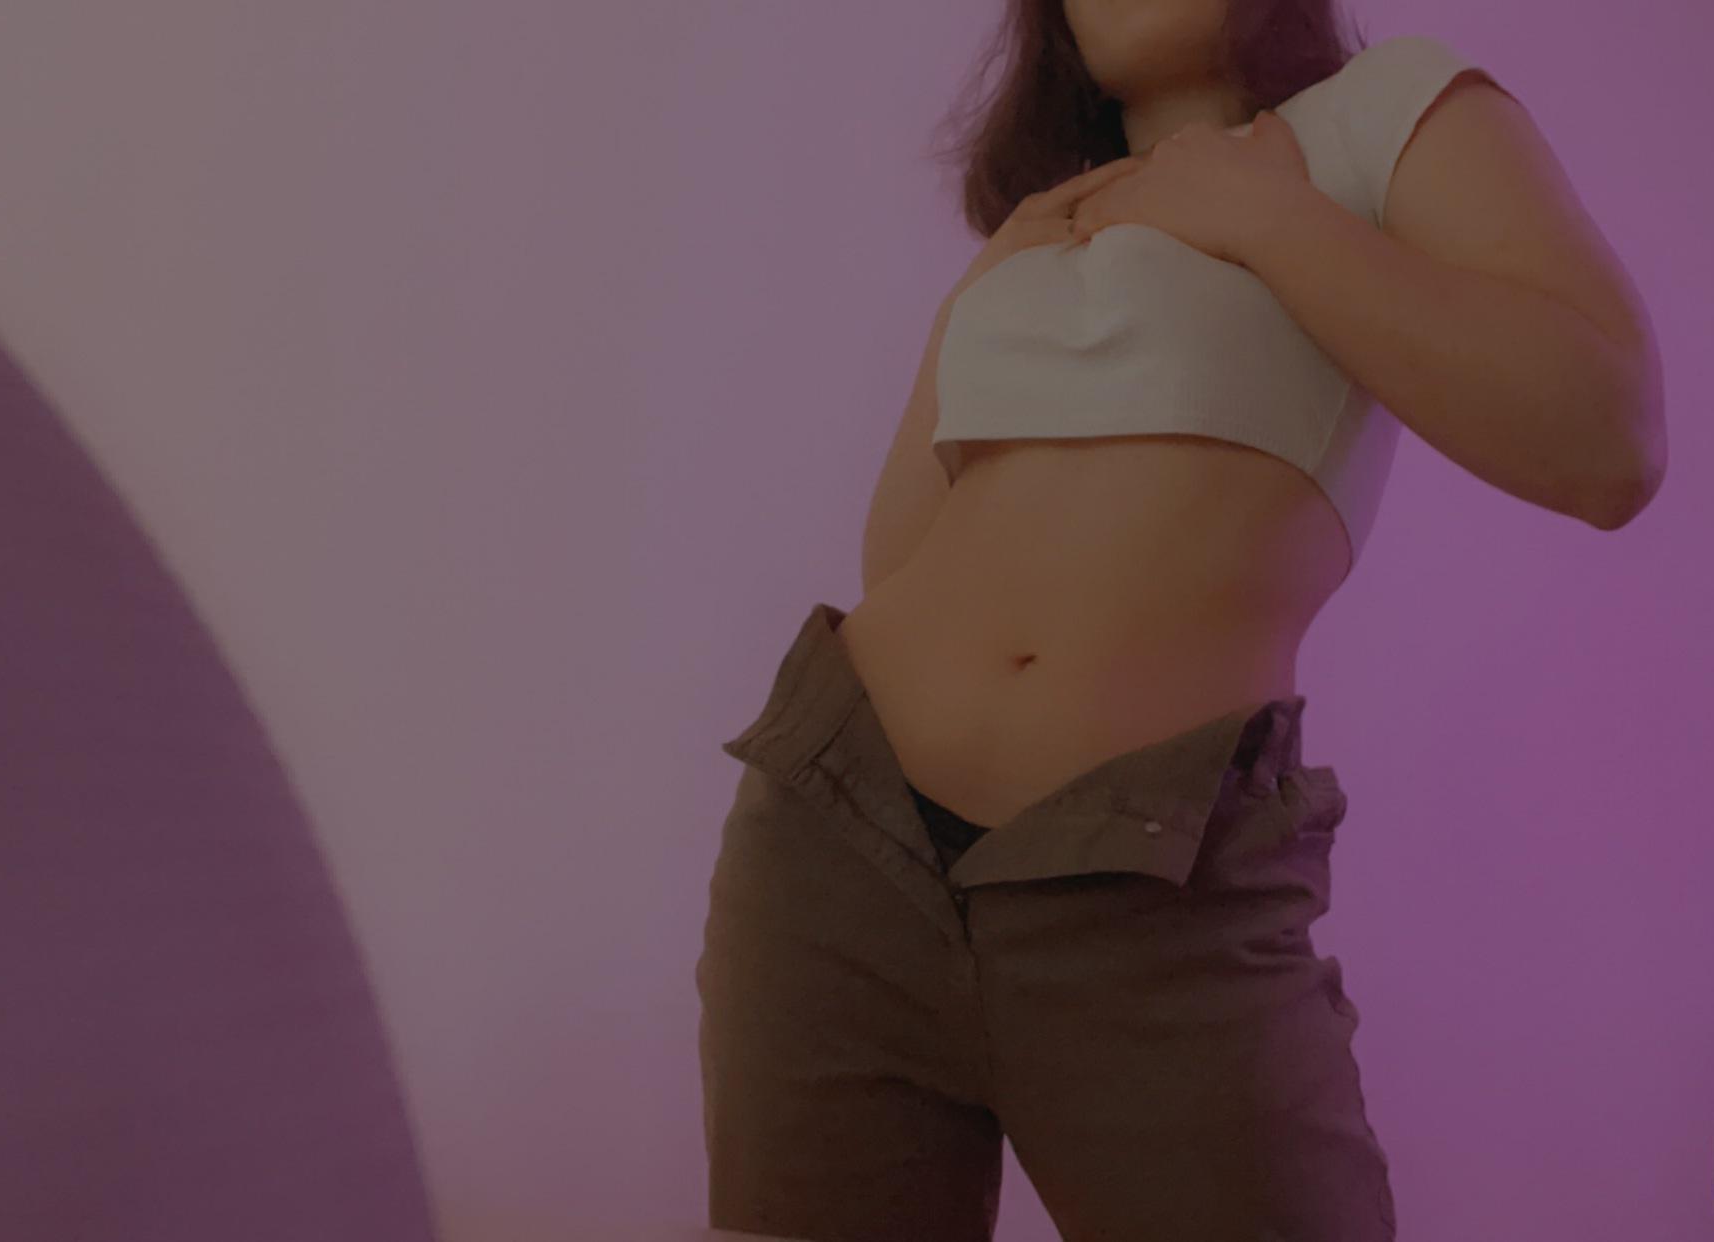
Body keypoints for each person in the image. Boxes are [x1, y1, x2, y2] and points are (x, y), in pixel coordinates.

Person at [698, 1, 1665, 1238]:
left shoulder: (1382, 112)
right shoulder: (1045, 228)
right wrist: (971, 312)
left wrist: (1268, 218)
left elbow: (1610, 438)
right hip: (837, 837)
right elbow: (901, 568)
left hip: (1155, 877)